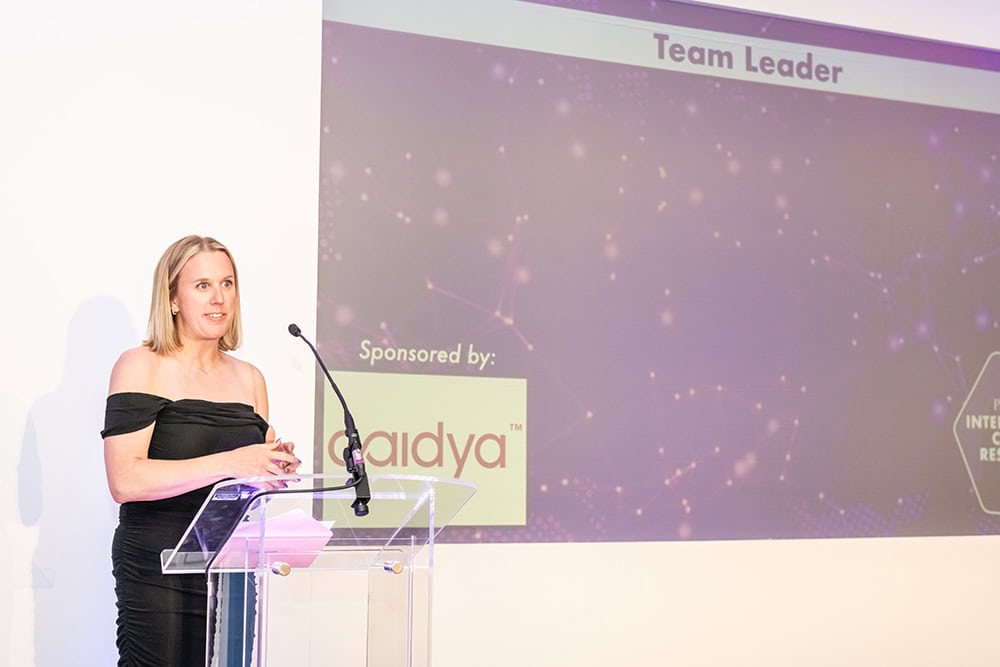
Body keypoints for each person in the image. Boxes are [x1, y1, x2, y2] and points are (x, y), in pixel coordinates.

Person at [101, 235, 300, 666]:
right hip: (159, 564)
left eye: (227, 284)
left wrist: (269, 467)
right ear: (172, 298)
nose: (219, 298)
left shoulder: (250, 378)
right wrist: (232, 461)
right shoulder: (140, 365)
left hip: (232, 566)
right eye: (203, 285)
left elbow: (242, 487)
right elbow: (125, 481)